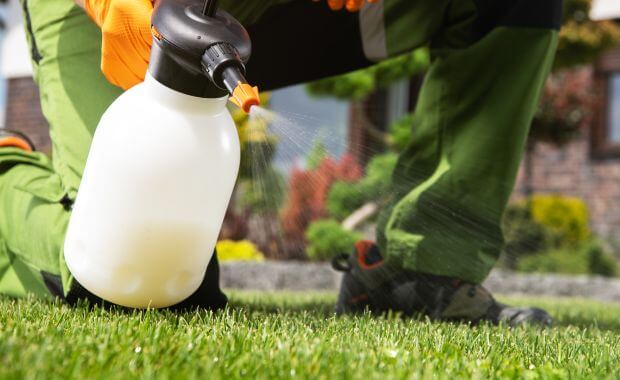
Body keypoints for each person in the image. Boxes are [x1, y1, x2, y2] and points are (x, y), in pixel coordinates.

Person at [0, 0, 561, 325]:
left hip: (295, 14)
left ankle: (419, 268)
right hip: (121, 12)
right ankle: (8, 176)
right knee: (134, 284)